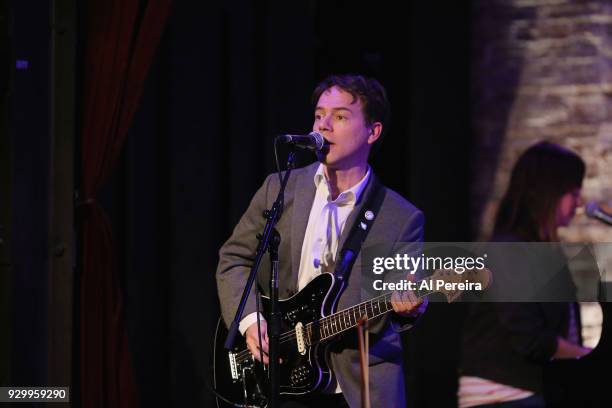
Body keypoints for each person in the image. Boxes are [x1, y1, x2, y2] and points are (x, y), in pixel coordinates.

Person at [216, 74, 426, 407]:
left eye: (340, 116)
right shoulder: (280, 189)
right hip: (281, 381)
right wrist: (251, 321)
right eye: (319, 114)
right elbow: (234, 259)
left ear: (373, 132)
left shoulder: (400, 218)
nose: (324, 125)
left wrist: (407, 309)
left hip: (355, 390)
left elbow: (399, 304)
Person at [458, 142, 593, 408]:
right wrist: (589, 359)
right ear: (548, 193)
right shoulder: (508, 250)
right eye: (573, 193)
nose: (579, 203)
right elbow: (529, 337)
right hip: (502, 392)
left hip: (530, 389)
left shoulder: (543, 251)